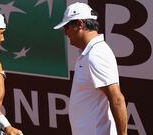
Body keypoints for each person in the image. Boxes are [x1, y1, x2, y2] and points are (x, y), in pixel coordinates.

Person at [54, 2, 127, 135]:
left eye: (67, 27)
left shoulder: (96, 54)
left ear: (80, 24)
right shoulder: (89, 52)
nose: (65, 32)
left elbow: (117, 99)